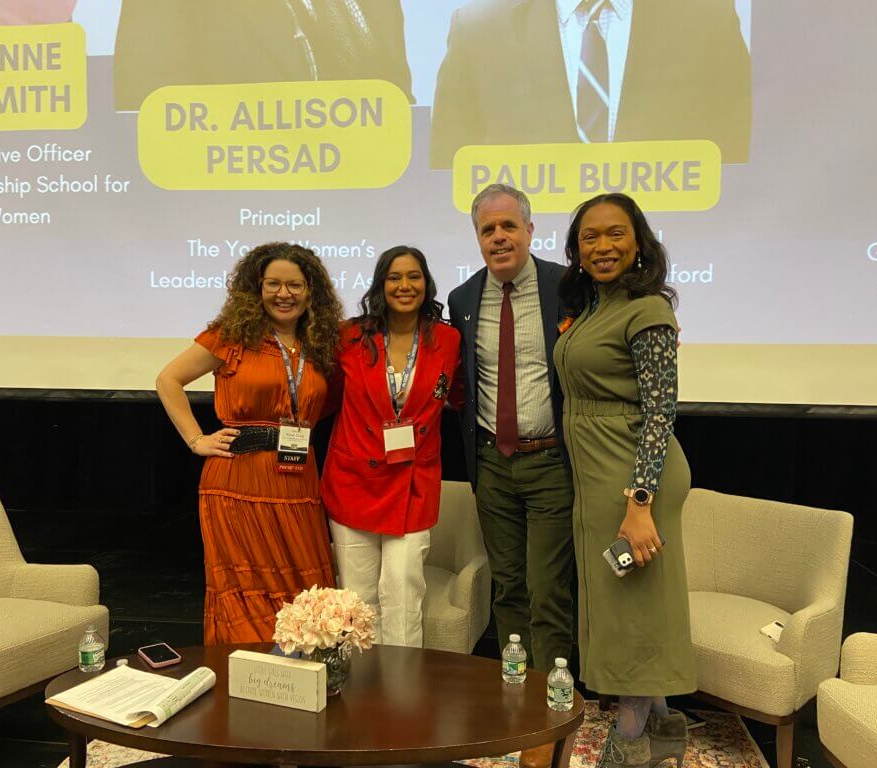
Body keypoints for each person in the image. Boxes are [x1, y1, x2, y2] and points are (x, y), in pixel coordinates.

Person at [553, 193, 694, 767]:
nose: (602, 246)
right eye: (590, 237)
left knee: (633, 612)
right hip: (597, 473)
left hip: (636, 476)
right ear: (576, 249)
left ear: (638, 241)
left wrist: (640, 503)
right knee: (619, 607)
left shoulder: (647, 310)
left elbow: (661, 412)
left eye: (615, 234)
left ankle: (630, 741)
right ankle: (664, 733)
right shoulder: (594, 306)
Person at [156, 242, 344, 644]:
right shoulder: (230, 337)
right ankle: (244, 684)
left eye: (294, 284)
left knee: (303, 591)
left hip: (297, 480)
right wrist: (196, 439)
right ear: (256, 289)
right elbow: (168, 380)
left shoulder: (321, 344)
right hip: (236, 482)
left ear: (311, 291)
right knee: (245, 596)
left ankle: (303, 684)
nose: (284, 294)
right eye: (272, 284)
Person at [448, 184, 574, 768]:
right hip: (493, 465)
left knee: (549, 589)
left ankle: (550, 712)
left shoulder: (566, 285)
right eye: (486, 230)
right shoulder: (462, 296)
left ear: (529, 230)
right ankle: (516, 693)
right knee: (508, 587)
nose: (498, 238)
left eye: (507, 227)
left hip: (550, 461)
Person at [320, 246, 463, 648]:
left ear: (427, 283)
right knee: (357, 599)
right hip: (353, 483)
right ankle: (362, 695)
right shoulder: (350, 336)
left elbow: (462, 395)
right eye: (395, 277)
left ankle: (402, 697)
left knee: (404, 594)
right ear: (380, 284)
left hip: (412, 484)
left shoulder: (448, 339)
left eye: (414, 276)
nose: (405, 285)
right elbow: (326, 397)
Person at [429, 0, 751, 168]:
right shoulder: (478, 29)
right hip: (537, 268)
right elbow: (448, 163)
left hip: (673, 255)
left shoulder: (708, 17)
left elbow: (736, 148)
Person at [114, 0, 413, 110]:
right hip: (232, 212)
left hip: (362, 208)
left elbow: (399, 110)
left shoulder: (381, 5)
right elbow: (146, 114)